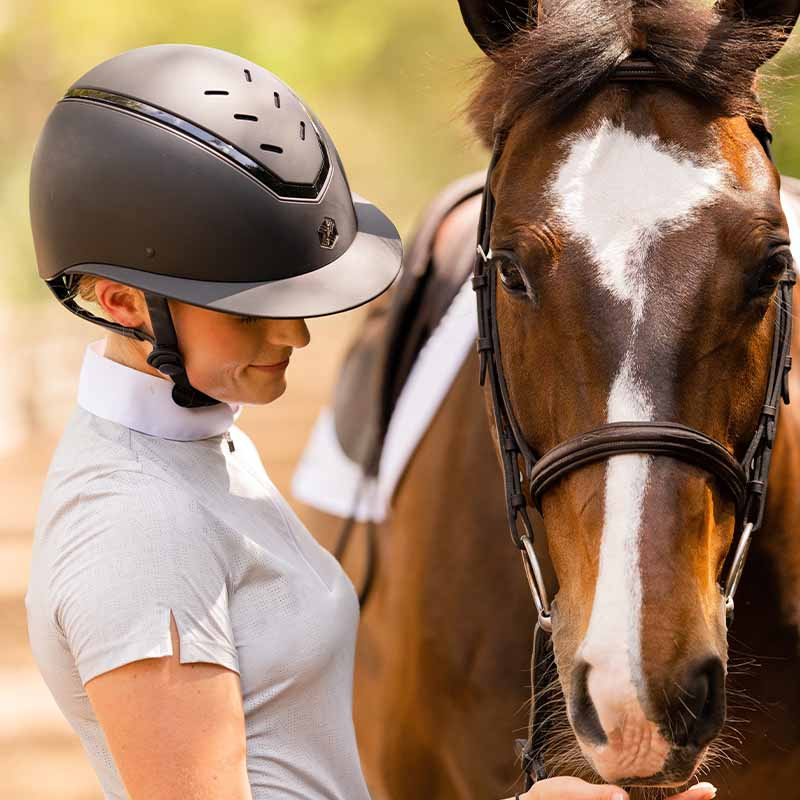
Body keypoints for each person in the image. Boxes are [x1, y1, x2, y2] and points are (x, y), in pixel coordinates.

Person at [24, 43, 717, 800]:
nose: (294, 337)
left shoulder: (193, 445)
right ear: (121, 302)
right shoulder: (138, 533)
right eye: (252, 309)